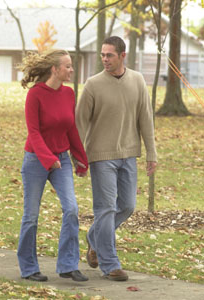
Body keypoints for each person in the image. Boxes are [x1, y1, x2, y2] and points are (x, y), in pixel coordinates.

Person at [76, 36, 157, 281]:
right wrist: (78, 156)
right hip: (100, 156)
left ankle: (93, 238)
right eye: (102, 55)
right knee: (106, 208)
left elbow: (145, 118)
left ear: (123, 55)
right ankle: (110, 264)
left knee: (128, 206)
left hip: (129, 155)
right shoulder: (93, 84)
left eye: (109, 55)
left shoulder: (138, 80)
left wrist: (151, 153)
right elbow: (79, 123)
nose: (104, 59)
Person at [17, 49, 89, 282]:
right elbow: (34, 132)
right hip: (36, 160)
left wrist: (81, 158)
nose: (71, 70)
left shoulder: (68, 94)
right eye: (67, 66)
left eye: (71, 66)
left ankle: (68, 265)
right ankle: (29, 268)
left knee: (71, 209)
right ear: (54, 69)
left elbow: (71, 128)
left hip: (62, 159)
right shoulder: (35, 95)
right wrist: (48, 159)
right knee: (31, 216)